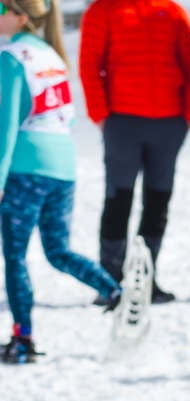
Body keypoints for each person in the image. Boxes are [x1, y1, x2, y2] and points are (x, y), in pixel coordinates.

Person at [1, 0, 121, 364]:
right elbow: (65, 118)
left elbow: (5, 127)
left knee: (15, 256)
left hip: (26, 167)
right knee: (58, 251)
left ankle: (23, 338)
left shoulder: (11, 57)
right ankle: (116, 292)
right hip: (62, 166)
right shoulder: (50, 55)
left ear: (20, 15)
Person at [79, 0, 190, 297]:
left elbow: (189, 62)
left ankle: (145, 280)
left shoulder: (172, 11)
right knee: (118, 199)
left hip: (169, 122)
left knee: (158, 201)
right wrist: (100, 114)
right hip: (123, 121)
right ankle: (109, 282)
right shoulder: (103, 10)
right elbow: (89, 63)